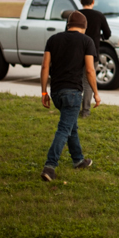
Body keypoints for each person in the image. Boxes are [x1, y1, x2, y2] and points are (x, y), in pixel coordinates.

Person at [40, 10, 101, 182]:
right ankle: (50, 166)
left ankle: (78, 160)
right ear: (84, 27)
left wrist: (44, 92)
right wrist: (96, 93)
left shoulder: (53, 40)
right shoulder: (86, 41)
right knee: (64, 130)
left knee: (71, 125)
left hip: (56, 92)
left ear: (68, 25)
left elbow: (45, 67)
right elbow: (89, 70)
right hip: (73, 93)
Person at [80, 0, 111, 118]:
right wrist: (99, 37)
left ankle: (72, 108)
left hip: (76, 54)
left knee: (76, 82)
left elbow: (68, 32)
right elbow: (108, 34)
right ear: (93, 2)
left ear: (81, 2)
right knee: (87, 83)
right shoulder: (99, 16)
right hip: (93, 54)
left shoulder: (76, 15)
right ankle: (85, 111)